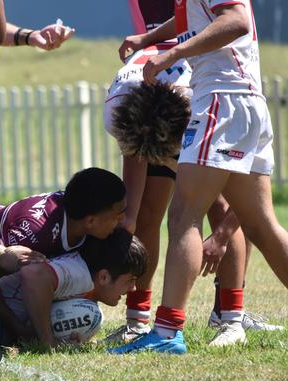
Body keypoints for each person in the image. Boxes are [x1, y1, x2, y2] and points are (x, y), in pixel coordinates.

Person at [111, 0, 288, 354]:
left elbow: (235, 22)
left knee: (183, 215)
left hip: (222, 101)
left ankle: (166, 333)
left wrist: (172, 54)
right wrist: (149, 37)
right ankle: (173, 329)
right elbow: (188, 21)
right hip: (243, 100)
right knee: (262, 226)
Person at [0, 227, 147, 346]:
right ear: (104, 277)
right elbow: (33, 275)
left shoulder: (86, 285)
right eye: (130, 280)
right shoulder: (78, 274)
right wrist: (46, 339)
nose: (133, 288)